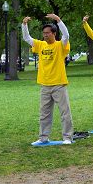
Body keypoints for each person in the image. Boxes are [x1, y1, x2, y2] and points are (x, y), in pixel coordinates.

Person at [22, 14, 74, 144]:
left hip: (59, 85)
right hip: (45, 85)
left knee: (64, 113)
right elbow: (26, 38)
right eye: (44, 33)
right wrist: (24, 25)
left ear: (54, 34)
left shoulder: (60, 45)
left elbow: (66, 35)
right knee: (44, 114)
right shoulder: (40, 45)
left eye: (47, 33)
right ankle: (43, 138)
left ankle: (67, 137)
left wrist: (58, 20)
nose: (45, 35)